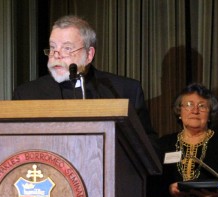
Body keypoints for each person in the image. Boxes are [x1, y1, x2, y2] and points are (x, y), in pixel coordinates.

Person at [13, 15, 157, 142]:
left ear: (89, 55)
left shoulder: (124, 90)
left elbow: (149, 148)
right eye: (52, 47)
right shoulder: (27, 94)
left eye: (67, 48)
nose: (56, 55)